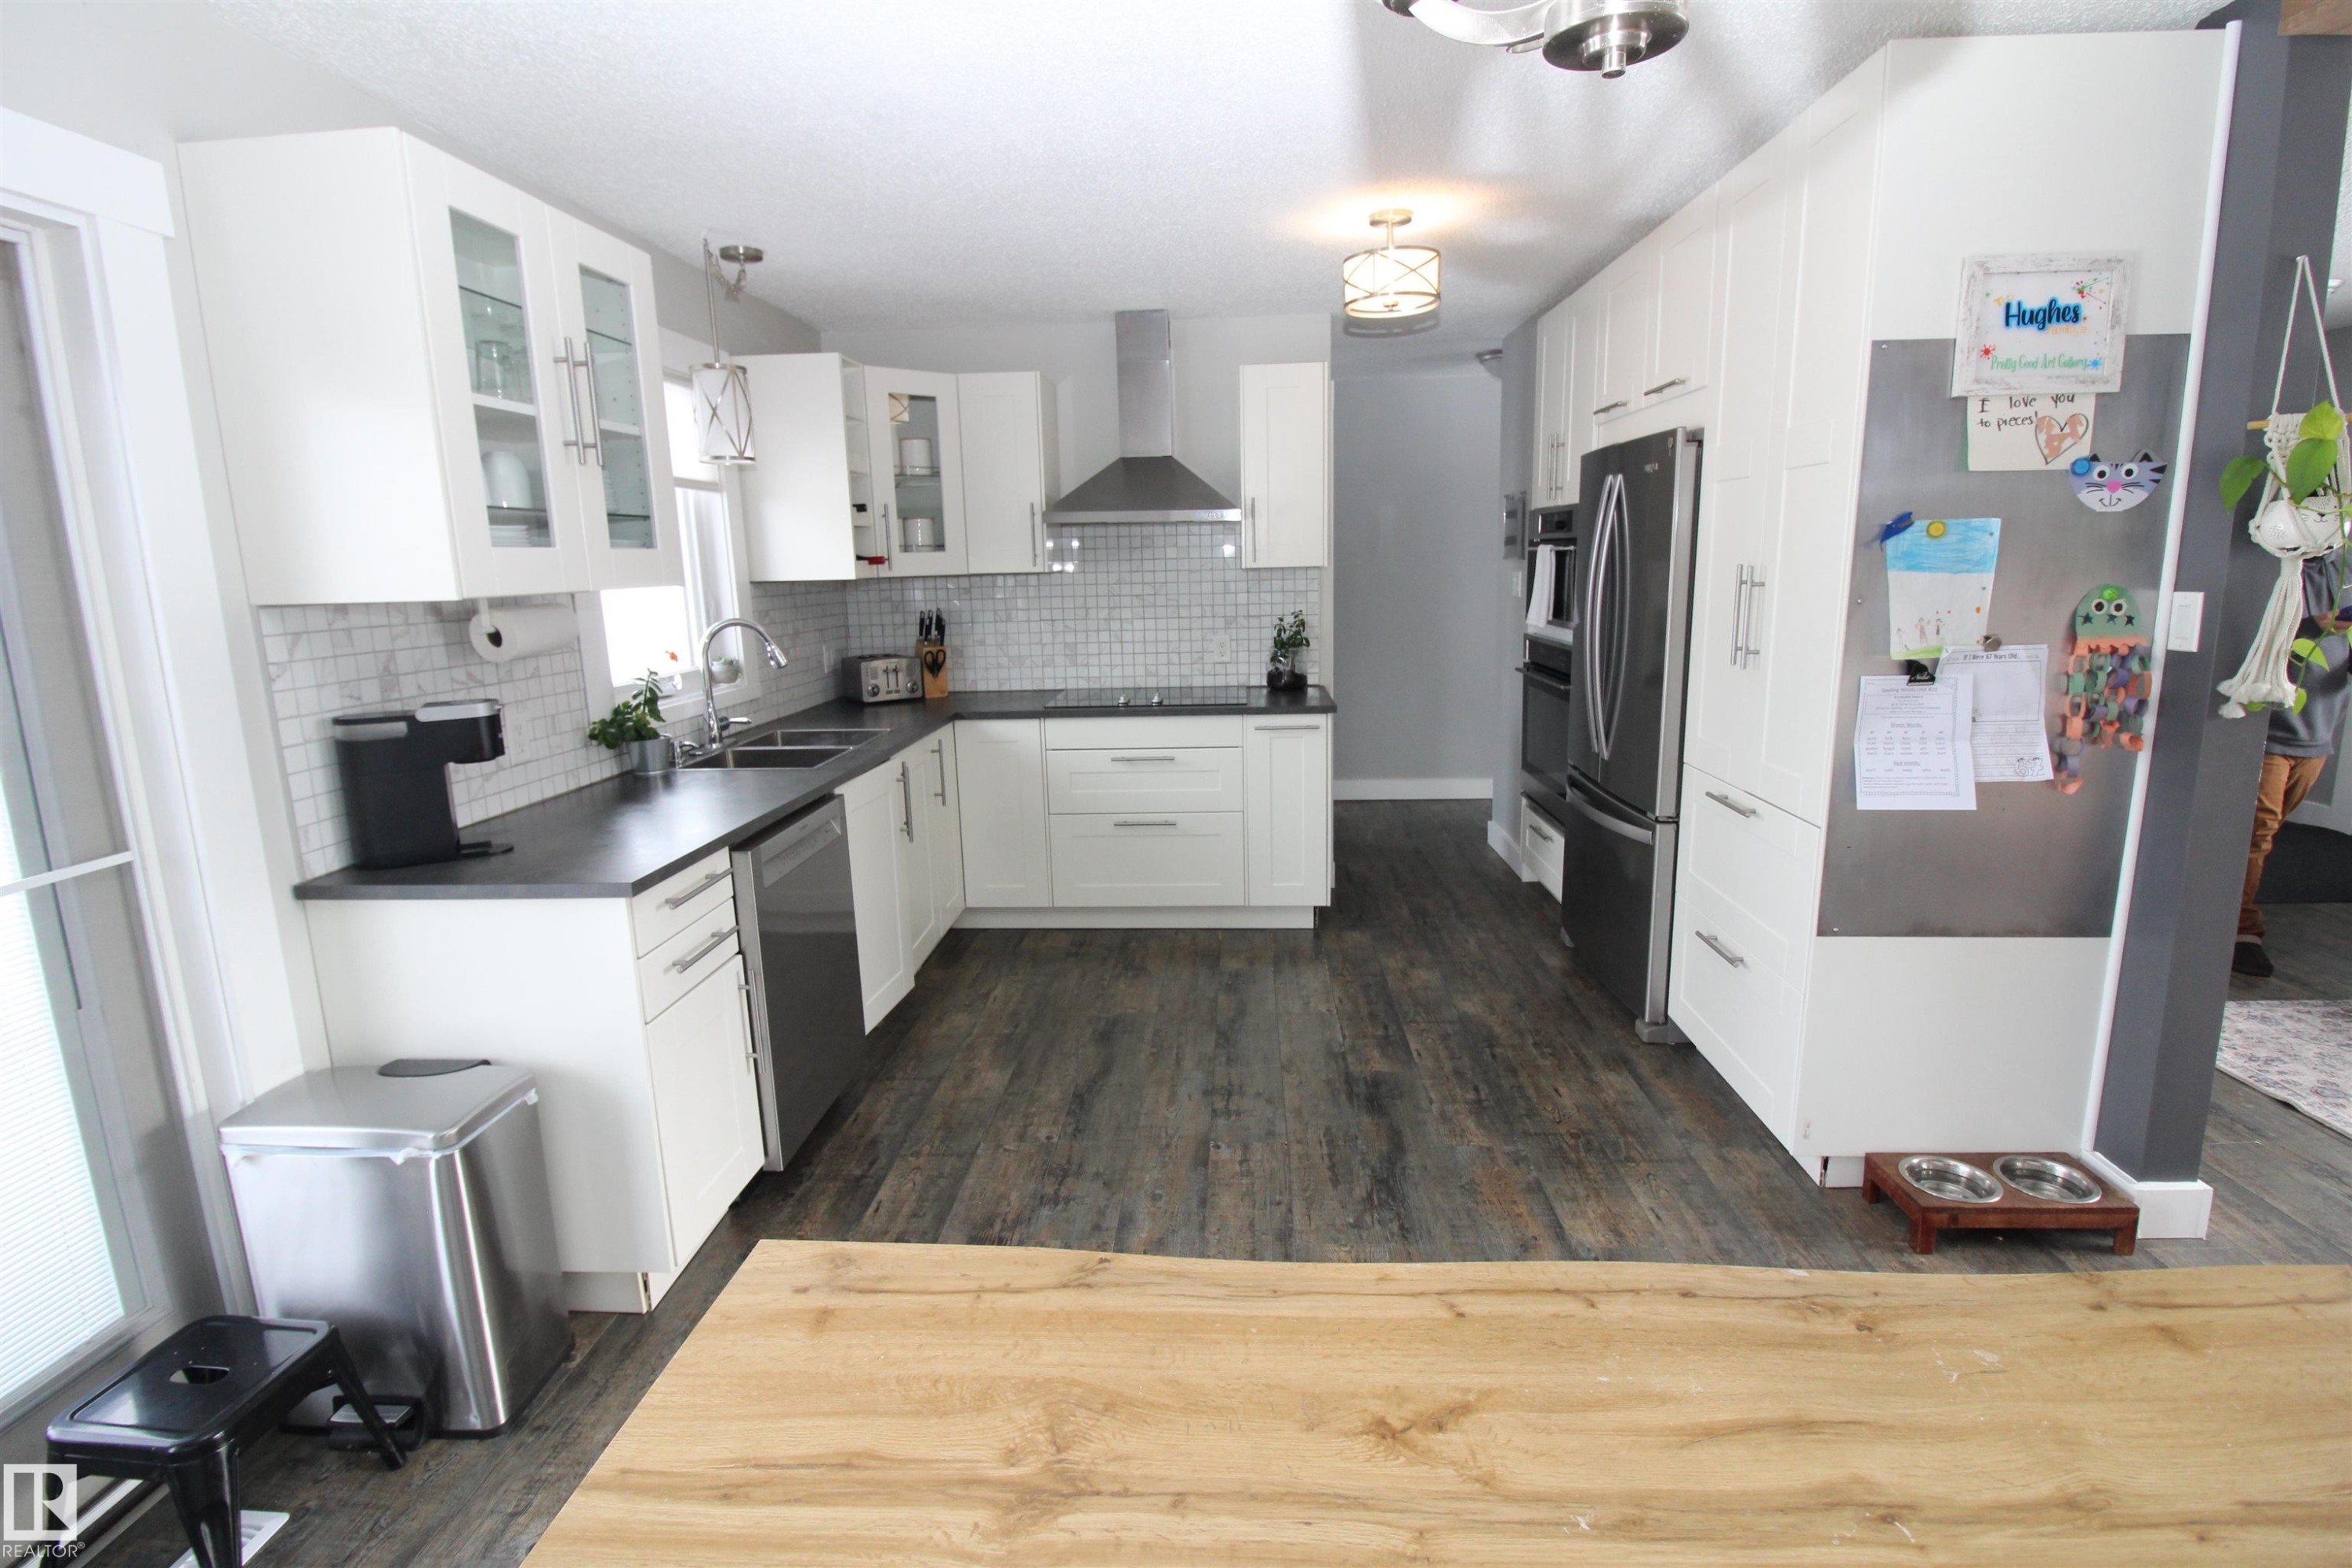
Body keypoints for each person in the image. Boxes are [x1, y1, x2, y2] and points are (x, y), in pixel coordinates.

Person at [2236, 549, 2352, 977]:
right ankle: (2242, 932)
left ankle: (2232, 917)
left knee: (2267, 833)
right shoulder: (2285, 565)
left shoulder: (2346, 565)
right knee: (2256, 831)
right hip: (2267, 728)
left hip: (2319, 729)